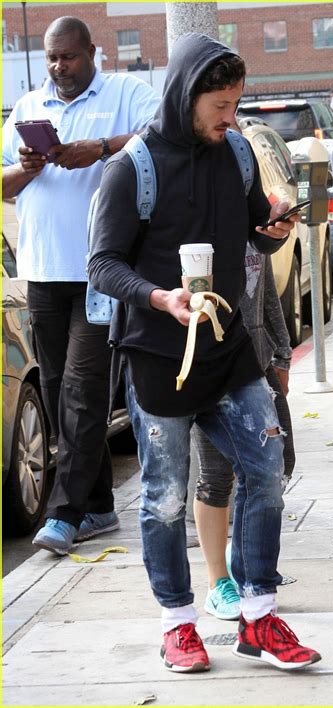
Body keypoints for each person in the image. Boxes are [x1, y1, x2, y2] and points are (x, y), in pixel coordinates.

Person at [88, 33, 321, 674]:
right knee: (164, 496)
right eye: (221, 105)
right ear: (187, 96)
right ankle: (177, 624)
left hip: (229, 348)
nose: (232, 117)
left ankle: (258, 615)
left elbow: (253, 234)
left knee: (266, 468)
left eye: (236, 103)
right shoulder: (132, 166)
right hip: (158, 355)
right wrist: (161, 299)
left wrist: (274, 231)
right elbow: (103, 265)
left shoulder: (238, 152)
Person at [1, 16, 160, 555]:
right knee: (54, 393)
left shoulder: (123, 92)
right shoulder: (27, 107)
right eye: (51, 58)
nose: (58, 67)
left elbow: (160, 136)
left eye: (68, 57)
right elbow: (3, 186)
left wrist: (101, 146)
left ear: (92, 51)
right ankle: (97, 508)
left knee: (82, 390)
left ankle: (63, 515)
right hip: (41, 274)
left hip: (99, 273)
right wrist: (29, 166)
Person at [193, 249, 295, 621]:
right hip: (212, 366)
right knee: (217, 476)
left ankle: (248, 569)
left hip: (258, 360)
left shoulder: (249, 219)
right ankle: (219, 583)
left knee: (278, 464)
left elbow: (266, 293)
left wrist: (281, 355)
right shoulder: (202, 222)